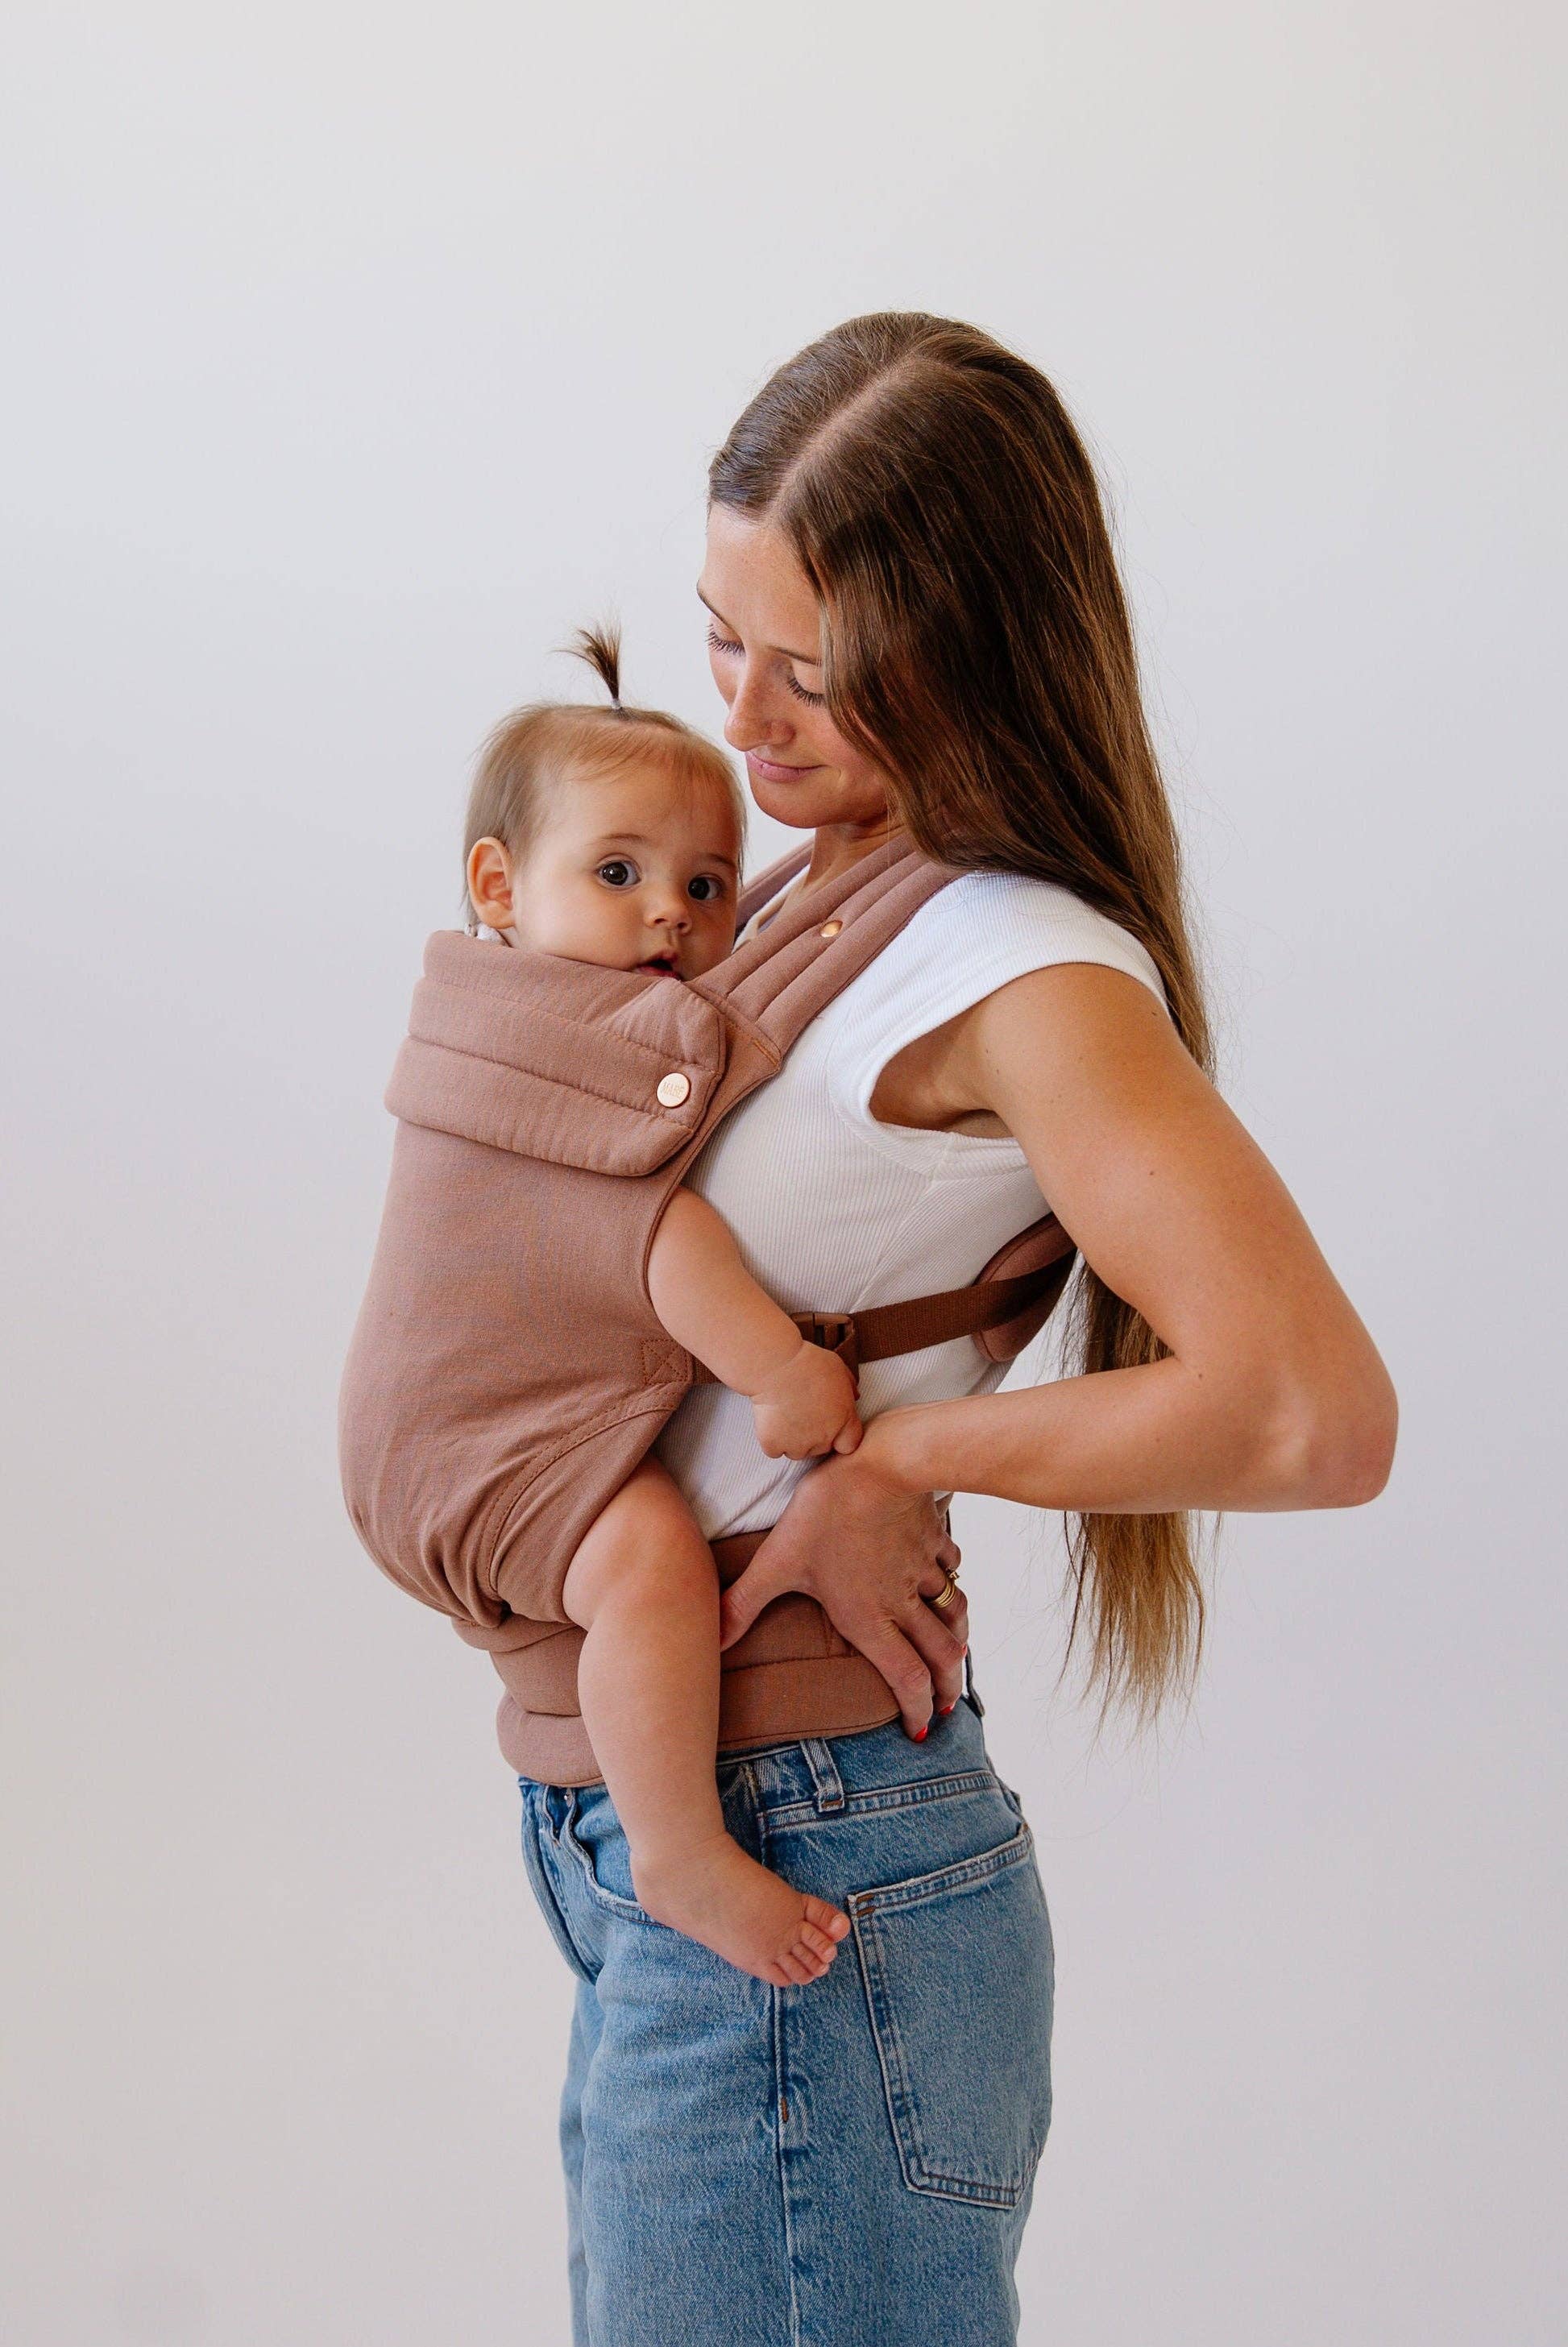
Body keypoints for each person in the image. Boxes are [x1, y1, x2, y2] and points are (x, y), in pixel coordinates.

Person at [515, 313, 1398, 2347]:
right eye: (720, 636)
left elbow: (1309, 1411)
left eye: (808, 672)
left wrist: (895, 1458)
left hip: (804, 1838)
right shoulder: (840, 883)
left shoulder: (1024, 969)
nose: (743, 715)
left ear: (970, 649)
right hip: (670, 1828)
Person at [462, 627, 861, 1986]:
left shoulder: (503, 1013)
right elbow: (649, 1231)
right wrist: (777, 1368)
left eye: (707, 884)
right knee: (644, 1561)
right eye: (618, 872)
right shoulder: (563, 1028)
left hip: (467, 1431)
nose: (670, 916)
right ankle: (679, 1849)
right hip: (477, 1433)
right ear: (497, 888)